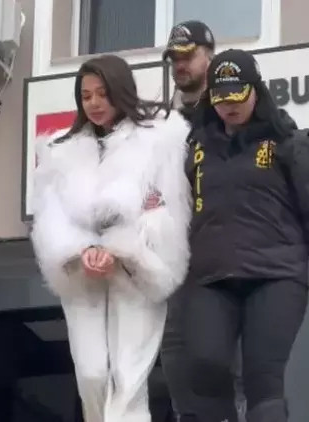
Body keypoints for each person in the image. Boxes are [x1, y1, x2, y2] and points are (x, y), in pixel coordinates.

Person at [183, 49, 309, 422]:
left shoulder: (290, 142)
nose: (229, 107)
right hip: (211, 275)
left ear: (256, 90)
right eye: (221, 98)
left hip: (275, 275)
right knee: (205, 364)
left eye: (237, 96)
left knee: (263, 378)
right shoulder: (196, 147)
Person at [30, 54, 192, 422]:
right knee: (91, 374)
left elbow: (168, 211)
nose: (94, 103)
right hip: (82, 274)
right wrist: (82, 250)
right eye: (86, 95)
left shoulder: (161, 138)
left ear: (120, 90)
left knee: (128, 376)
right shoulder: (59, 150)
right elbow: (50, 217)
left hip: (137, 271)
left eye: (102, 93)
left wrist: (121, 249)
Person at [161, 20, 246, 422]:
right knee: (178, 355)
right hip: (181, 257)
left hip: (232, 254)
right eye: (174, 58)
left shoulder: (236, 112)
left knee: (237, 362)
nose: (180, 64)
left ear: (209, 57)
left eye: (188, 55)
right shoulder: (162, 124)